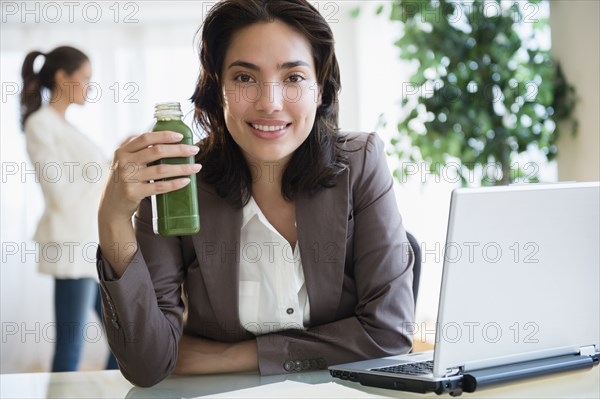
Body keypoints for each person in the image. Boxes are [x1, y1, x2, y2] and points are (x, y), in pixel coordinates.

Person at [97, 0, 415, 387]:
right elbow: (149, 364)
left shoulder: (361, 162)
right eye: (245, 78)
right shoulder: (178, 180)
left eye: (294, 77)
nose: (269, 103)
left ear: (320, 89)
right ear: (218, 90)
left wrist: (237, 355)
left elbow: (389, 338)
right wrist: (112, 218)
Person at [20, 46, 118, 372]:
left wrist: (113, 163)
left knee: (123, 342)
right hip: (70, 250)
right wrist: (108, 169)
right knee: (71, 348)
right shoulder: (40, 124)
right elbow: (59, 193)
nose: (90, 86)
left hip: (88, 248)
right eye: (86, 78)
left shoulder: (66, 127)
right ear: (63, 77)